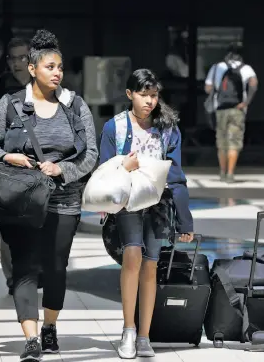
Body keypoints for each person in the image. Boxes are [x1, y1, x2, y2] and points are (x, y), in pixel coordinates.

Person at [0, 29, 97, 361]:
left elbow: (90, 155)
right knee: (24, 267)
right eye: (49, 67)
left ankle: (50, 326)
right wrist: (7, 156)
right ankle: (31, 338)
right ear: (32, 69)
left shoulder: (75, 106)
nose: (57, 72)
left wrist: (62, 170)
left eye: (59, 66)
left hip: (64, 199)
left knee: (56, 268)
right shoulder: (10, 105)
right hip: (22, 198)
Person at [99, 69, 194, 359]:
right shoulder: (114, 127)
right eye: (143, 94)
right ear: (130, 95)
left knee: (151, 265)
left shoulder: (168, 128)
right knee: (132, 255)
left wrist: (185, 220)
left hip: (158, 204)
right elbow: (103, 170)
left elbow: (176, 176)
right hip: (128, 202)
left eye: (154, 95)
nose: (149, 101)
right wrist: (122, 168)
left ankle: (144, 334)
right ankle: (128, 330)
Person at [0, 37, 32, 295]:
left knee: (40, 222)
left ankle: (32, 274)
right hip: (8, 166)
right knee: (9, 227)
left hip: (41, 166)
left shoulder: (47, 83)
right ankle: (14, 279)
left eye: (23, 57)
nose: (17, 63)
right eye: (12, 58)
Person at [204, 44, 258, 183]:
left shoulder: (216, 67)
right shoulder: (246, 68)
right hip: (237, 109)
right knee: (234, 141)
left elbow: (208, 88)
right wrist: (246, 102)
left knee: (221, 141)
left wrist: (217, 91)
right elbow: (254, 84)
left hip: (220, 109)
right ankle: (230, 174)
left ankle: (222, 172)